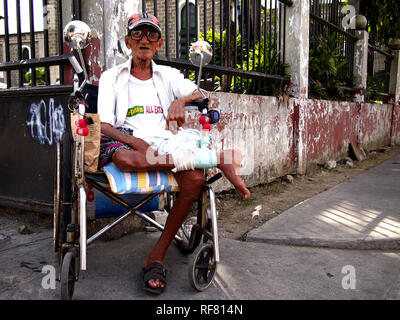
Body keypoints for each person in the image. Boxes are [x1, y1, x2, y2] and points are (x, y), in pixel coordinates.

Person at [97, 12, 250, 294]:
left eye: (151, 35)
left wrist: (180, 100)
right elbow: (104, 125)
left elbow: (201, 94)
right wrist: (135, 143)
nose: (144, 39)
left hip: (163, 142)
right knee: (124, 159)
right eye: (138, 34)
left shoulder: (167, 75)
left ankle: (156, 255)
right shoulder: (111, 77)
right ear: (128, 42)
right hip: (125, 138)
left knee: (193, 180)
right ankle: (217, 158)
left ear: (158, 44)